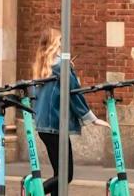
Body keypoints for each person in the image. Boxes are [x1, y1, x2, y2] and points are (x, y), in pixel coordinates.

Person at [31, 27, 94, 196]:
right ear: (54, 44)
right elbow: (74, 93)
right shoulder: (61, 65)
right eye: (60, 41)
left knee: (59, 175)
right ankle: (35, 193)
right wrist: (91, 118)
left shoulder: (43, 65)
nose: (63, 45)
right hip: (56, 126)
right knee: (66, 175)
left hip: (44, 126)